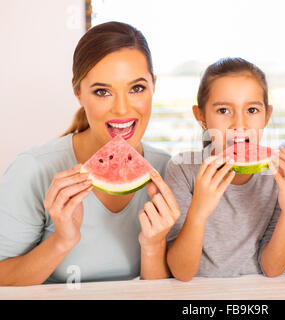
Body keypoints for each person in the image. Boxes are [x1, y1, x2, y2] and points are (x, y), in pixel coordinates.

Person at [0, 21, 180, 285]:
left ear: (153, 85)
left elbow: (164, 288)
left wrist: (153, 245)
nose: (121, 109)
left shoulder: (168, 172)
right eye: (102, 92)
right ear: (78, 93)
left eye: (137, 88)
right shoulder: (34, 169)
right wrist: (62, 241)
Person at [165, 57, 285, 281]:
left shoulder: (277, 176)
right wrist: (199, 211)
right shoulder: (182, 170)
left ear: (267, 116)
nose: (239, 124)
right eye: (223, 110)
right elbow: (182, 272)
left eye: (252, 110)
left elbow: (273, 268)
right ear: (200, 116)